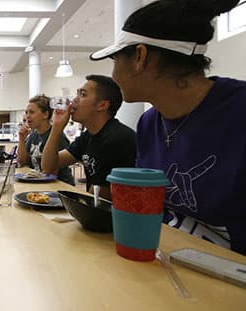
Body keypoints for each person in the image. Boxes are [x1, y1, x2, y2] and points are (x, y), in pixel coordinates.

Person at [89, 0, 246, 254]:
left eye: (115, 60)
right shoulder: (150, 123)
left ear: (139, 56)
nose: (114, 74)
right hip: (165, 266)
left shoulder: (238, 111)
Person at [41, 75, 136, 200]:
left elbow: (100, 197)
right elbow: (48, 167)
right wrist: (57, 127)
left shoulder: (116, 138)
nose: (74, 100)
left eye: (83, 95)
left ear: (102, 105)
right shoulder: (89, 136)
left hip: (114, 215)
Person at [17, 95, 74, 185]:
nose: (27, 116)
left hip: (59, 186)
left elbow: (52, 172)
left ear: (45, 114)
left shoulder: (57, 136)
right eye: (26, 112)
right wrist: (21, 139)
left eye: (31, 112)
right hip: (40, 183)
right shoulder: (33, 134)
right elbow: (22, 161)